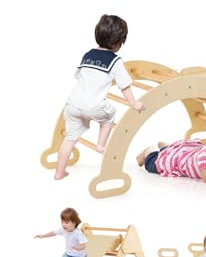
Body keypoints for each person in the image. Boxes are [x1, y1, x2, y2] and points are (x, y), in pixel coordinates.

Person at [54, 14, 145, 180]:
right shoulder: (115, 61)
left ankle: (59, 173)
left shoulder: (88, 55)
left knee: (69, 139)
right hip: (93, 106)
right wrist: (134, 103)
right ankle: (101, 145)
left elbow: (78, 75)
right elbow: (124, 85)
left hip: (72, 104)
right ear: (119, 42)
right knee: (109, 115)